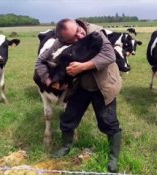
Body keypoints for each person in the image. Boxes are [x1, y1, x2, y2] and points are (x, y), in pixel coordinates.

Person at [35, 19, 122, 173]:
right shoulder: (60, 42)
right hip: (80, 86)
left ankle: (113, 157)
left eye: (79, 32)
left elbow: (110, 55)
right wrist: (49, 81)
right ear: (63, 41)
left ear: (78, 25)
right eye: (73, 39)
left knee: (108, 122)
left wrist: (82, 66)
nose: (79, 38)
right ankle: (66, 146)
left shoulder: (95, 33)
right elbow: (40, 61)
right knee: (68, 118)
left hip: (103, 85)